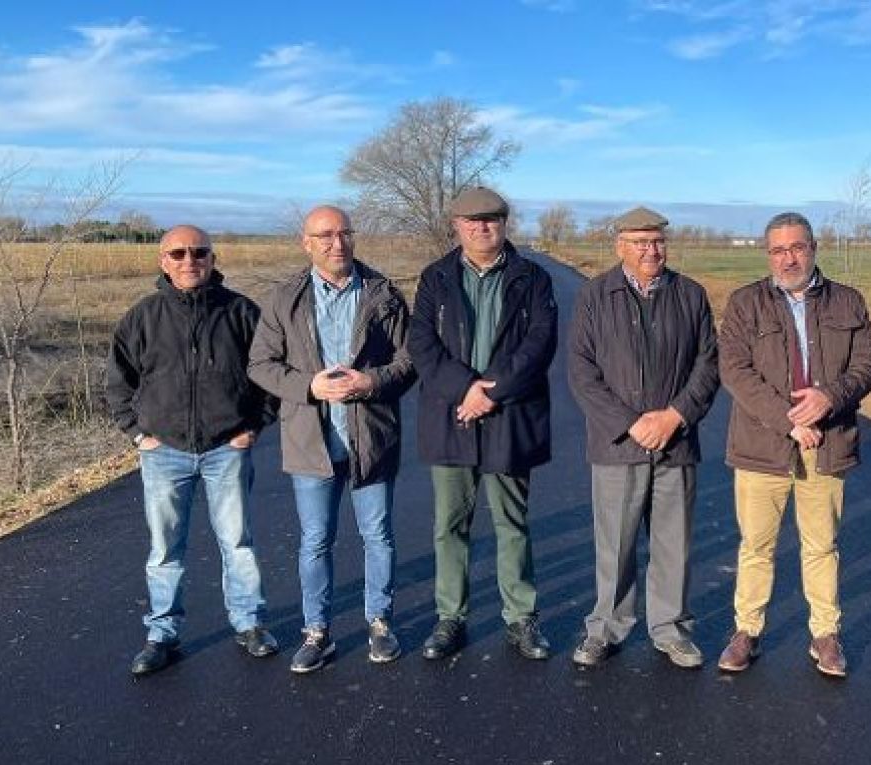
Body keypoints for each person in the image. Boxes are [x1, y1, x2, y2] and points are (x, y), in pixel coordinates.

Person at [248, 206, 416, 674]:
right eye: (324, 235)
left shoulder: (384, 294)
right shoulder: (284, 299)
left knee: (377, 536)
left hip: (372, 438)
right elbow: (260, 364)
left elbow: (410, 360)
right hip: (311, 441)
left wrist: (371, 382)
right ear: (306, 242)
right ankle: (316, 632)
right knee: (315, 540)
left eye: (344, 234)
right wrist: (308, 386)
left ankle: (380, 623)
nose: (336, 243)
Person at [716, 212, 871, 677]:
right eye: (778, 250)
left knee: (821, 545)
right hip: (762, 445)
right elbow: (734, 370)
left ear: (813, 247)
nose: (788, 258)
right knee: (756, 546)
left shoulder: (848, 301)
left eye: (796, 247)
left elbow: (869, 363)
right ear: (767, 254)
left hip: (826, 444)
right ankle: (746, 631)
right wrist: (789, 420)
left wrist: (830, 397)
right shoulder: (746, 303)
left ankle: (825, 635)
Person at [106, 225, 277, 676]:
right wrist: (137, 434)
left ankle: (250, 624)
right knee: (165, 548)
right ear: (163, 261)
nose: (189, 261)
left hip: (228, 447)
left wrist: (255, 426)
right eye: (178, 253)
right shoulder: (142, 316)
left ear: (212, 258)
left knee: (237, 542)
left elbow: (270, 373)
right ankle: (162, 634)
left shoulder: (241, 312)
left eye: (198, 252)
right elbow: (117, 383)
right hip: (164, 452)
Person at [407, 186, 559, 660]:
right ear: (456, 225)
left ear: (504, 222)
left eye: (490, 219)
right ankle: (450, 617)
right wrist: (465, 390)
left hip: (508, 415)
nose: (481, 227)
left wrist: (490, 392)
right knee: (450, 524)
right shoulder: (435, 278)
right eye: (471, 221)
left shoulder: (531, 277)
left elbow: (539, 343)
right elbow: (422, 345)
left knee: (512, 523)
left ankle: (521, 618)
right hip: (452, 416)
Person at [566, 207, 719, 669]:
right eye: (639, 242)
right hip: (618, 444)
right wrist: (632, 423)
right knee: (615, 544)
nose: (650, 250)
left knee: (674, 542)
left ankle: (671, 629)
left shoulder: (690, 294)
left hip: (676, 442)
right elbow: (582, 371)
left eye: (656, 241)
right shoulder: (595, 295)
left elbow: (708, 364)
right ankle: (606, 628)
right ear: (620, 246)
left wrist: (674, 416)